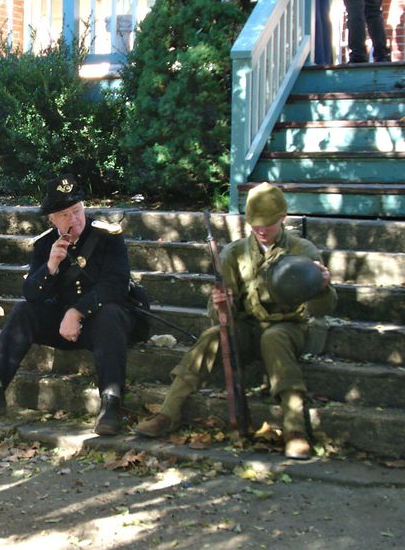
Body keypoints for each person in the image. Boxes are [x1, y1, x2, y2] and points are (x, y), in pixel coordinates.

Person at [135, 182, 337, 460]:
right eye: (255, 224)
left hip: (288, 329)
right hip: (245, 328)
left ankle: (295, 430)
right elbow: (216, 313)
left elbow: (324, 308)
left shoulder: (303, 252)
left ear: (283, 218)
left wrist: (323, 287)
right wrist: (221, 304)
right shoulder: (234, 253)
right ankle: (168, 413)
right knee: (211, 336)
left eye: (268, 223)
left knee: (274, 337)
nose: (261, 230)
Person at [0, 174, 140, 436]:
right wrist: (50, 266)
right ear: (52, 218)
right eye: (64, 214)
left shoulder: (107, 237)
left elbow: (115, 285)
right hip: (64, 325)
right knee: (22, 311)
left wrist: (76, 312)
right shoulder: (45, 244)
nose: (73, 220)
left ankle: (111, 404)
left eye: (77, 211)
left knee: (109, 314)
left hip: (105, 323)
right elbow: (32, 294)